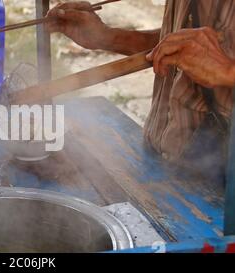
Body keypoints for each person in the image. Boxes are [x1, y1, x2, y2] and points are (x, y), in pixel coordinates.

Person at [46, 0, 235, 181]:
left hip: (222, 181)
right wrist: (107, 37)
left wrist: (228, 71)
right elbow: (178, 42)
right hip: (164, 161)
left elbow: (218, 57)